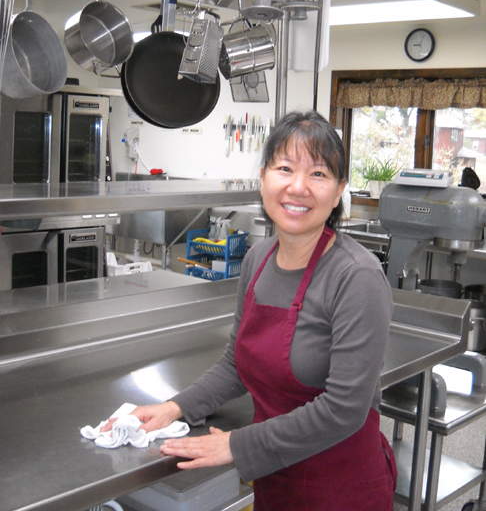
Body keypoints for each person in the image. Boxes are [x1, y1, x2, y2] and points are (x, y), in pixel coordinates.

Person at [103, 110, 397, 510]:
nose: (298, 187)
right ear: (263, 178)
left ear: (339, 189)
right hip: (276, 477)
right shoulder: (258, 258)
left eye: (319, 174)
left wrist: (237, 444)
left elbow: (344, 410)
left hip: (341, 484)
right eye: (285, 168)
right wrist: (175, 407)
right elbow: (236, 363)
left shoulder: (356, 277)